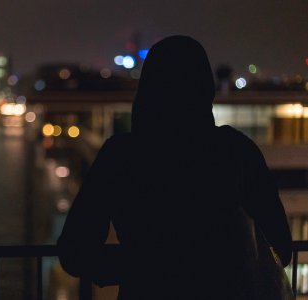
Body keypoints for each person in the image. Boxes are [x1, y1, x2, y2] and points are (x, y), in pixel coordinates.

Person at [56, 35, 293, 299]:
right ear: (205, 88)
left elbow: (74, 252)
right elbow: (280, 246)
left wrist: (142, 264)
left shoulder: (121, 155)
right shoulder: (236, 151)